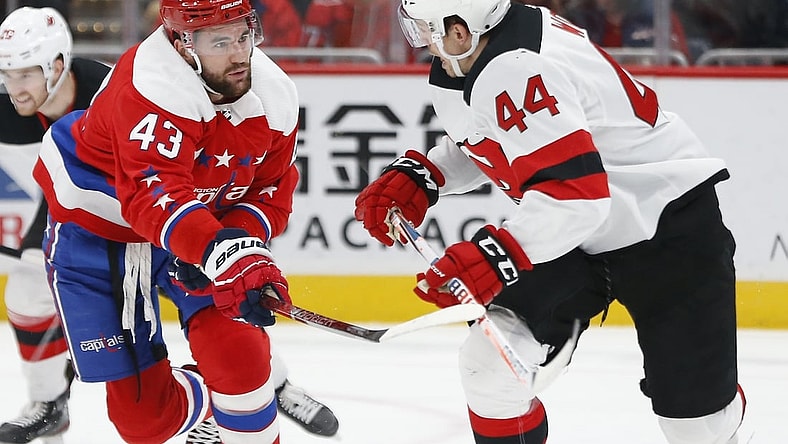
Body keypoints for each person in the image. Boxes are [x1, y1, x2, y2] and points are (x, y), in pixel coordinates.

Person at [354, 1, 746, 443]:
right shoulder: (482, 51)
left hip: (663, 225)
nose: (422, 41)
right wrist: (430, 174)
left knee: (701, 429)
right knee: (491, 368)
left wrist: (495, 256)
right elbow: (506, 136)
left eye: (425, 29)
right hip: (572, 237)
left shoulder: (515, 68)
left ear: (460, 30)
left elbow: (576, 194)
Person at [31, 0, 337, 442]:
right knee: (145, 422)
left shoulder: (274, 93)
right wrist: (218, 251)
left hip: (195, 225)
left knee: (241, 361)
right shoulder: (150, 84)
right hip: (101, 230)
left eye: (243, 35)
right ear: (181, 42)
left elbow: (272, 188)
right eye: (219, 41)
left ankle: (257, 386)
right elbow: (152, 198)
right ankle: (221, 399)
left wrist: (237, 244)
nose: (238, 54)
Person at [0, 7, 110, 443]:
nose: (13, 89)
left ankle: (266, 384)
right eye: (6, 75)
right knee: (27, 286)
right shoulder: (15, 105)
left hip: (141, 205)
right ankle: (49, 403)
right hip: (68, 202)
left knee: (202, 298)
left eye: (24, 75)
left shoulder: (112, 93)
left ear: (58, 65)